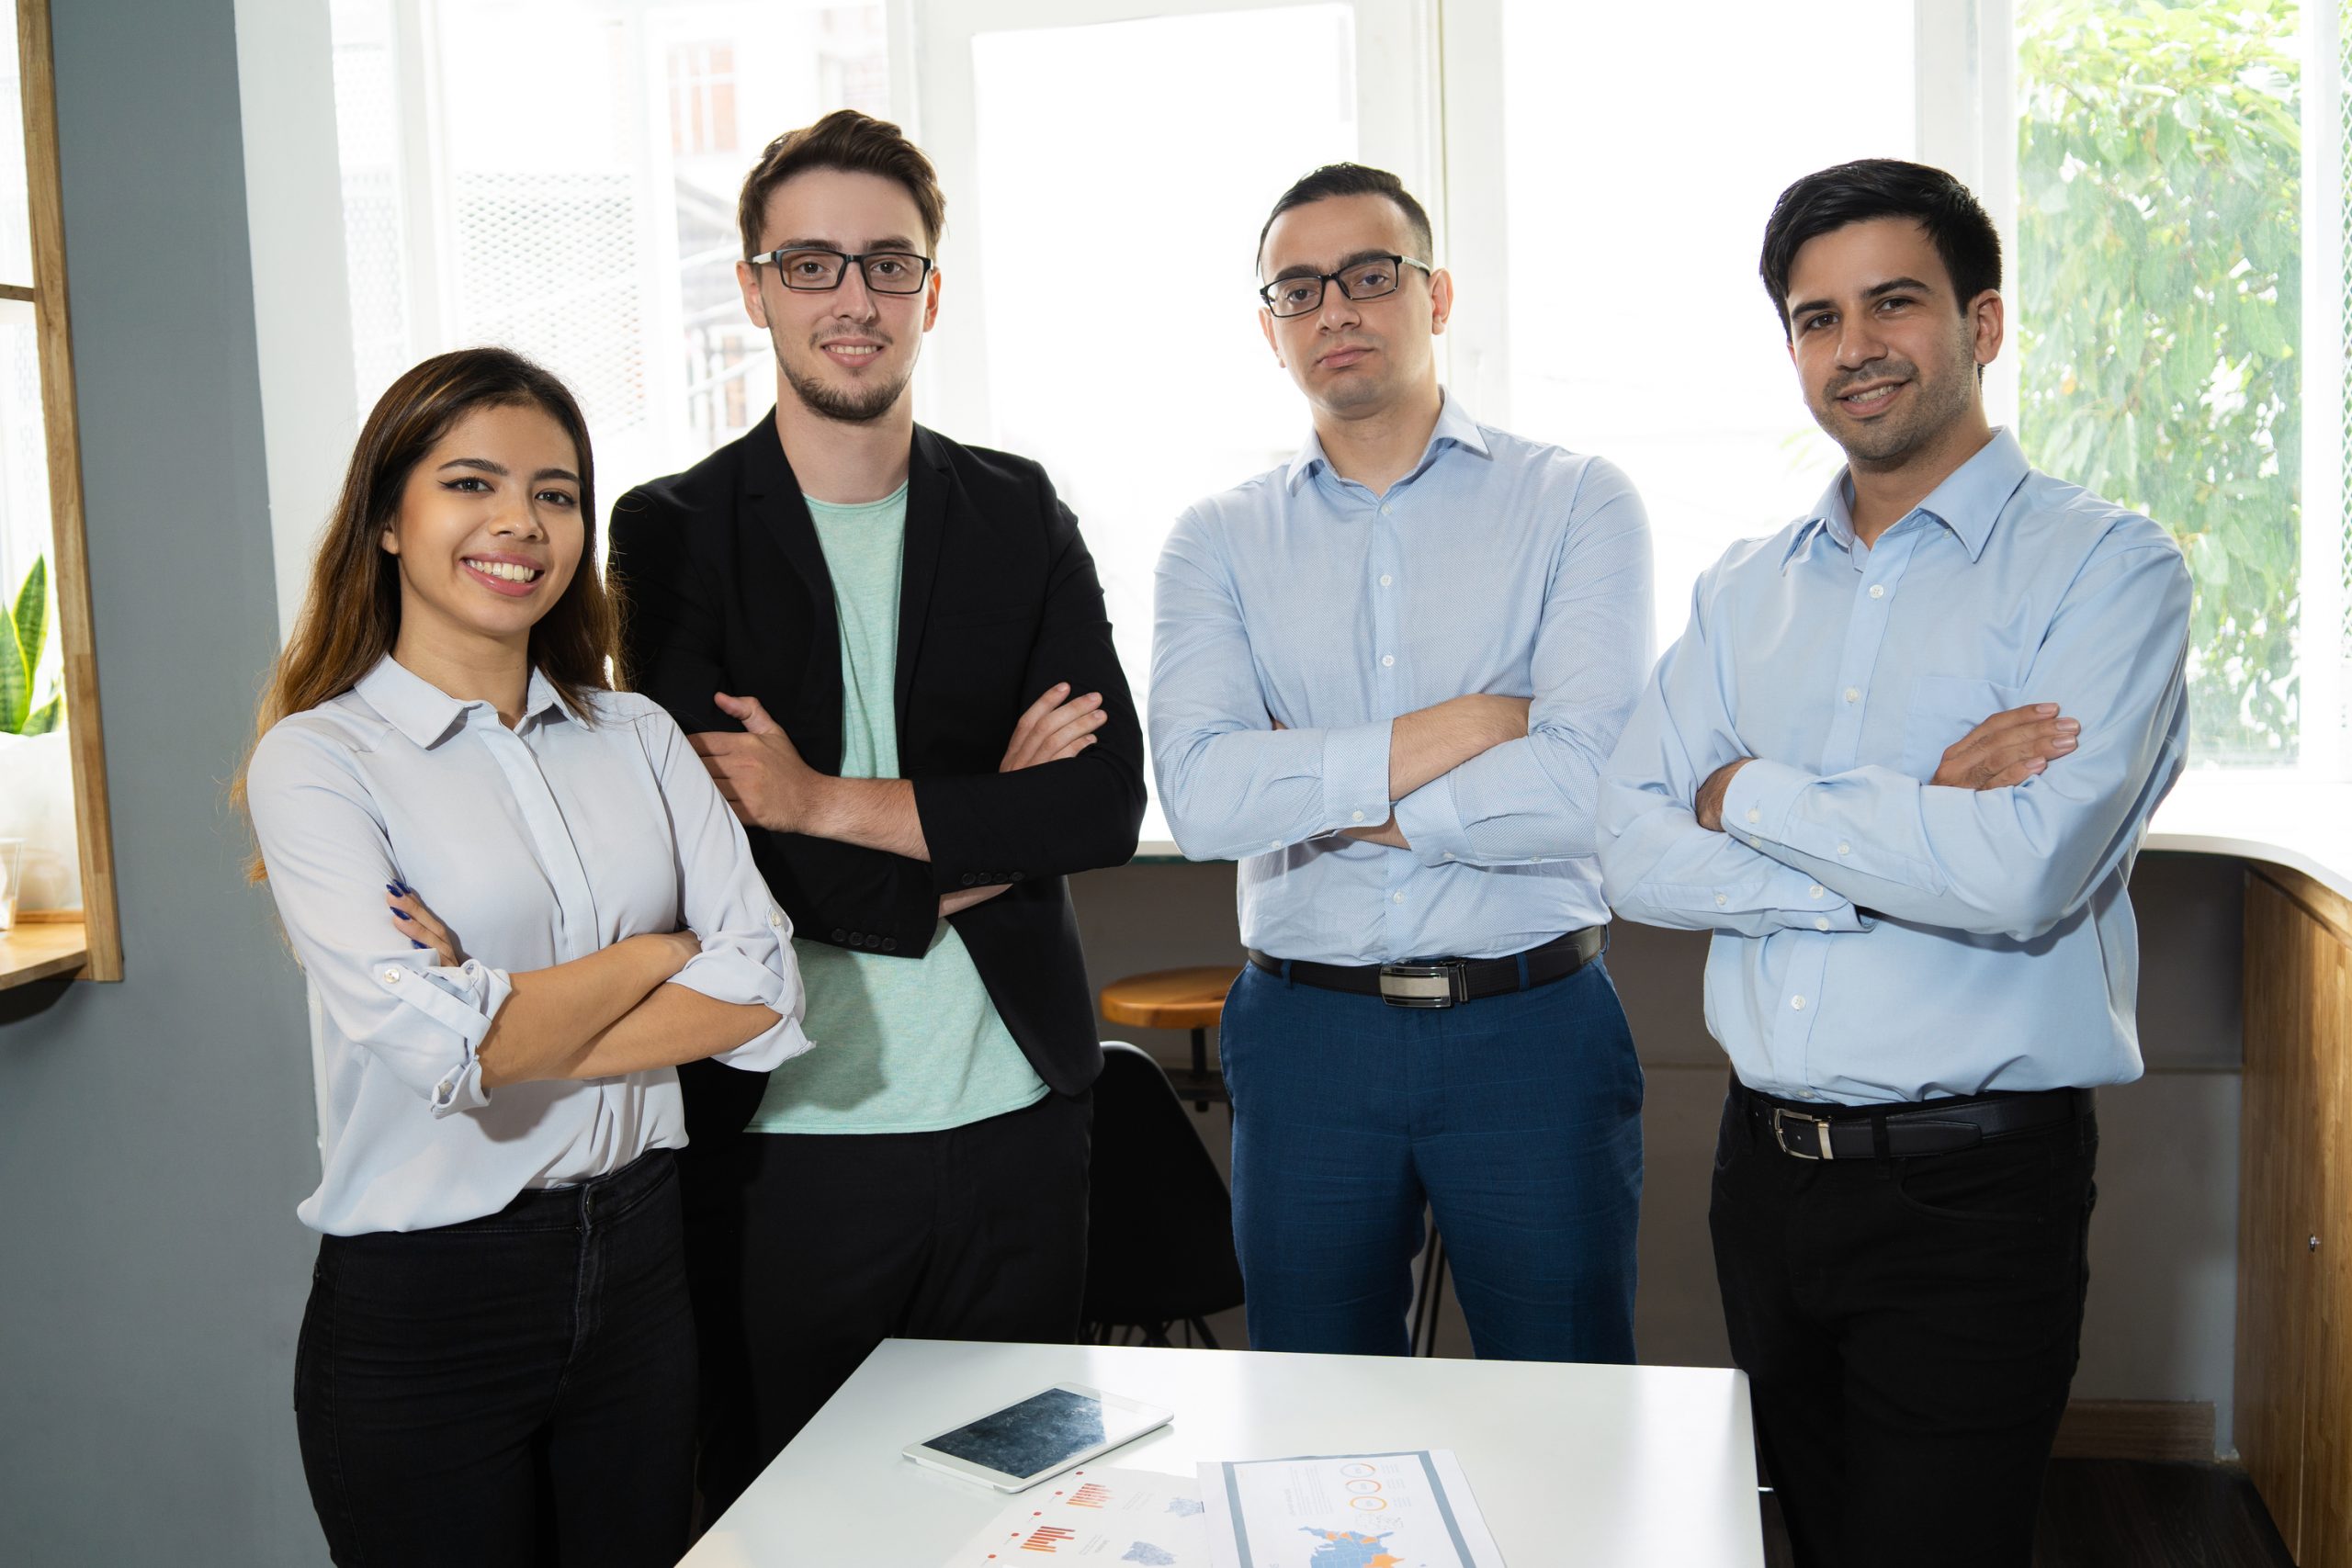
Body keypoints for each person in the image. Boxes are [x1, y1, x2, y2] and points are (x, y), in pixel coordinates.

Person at [1596, 159, 2192, 1568]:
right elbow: (1627, 847)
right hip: (1766, 1176)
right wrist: (1911, 814)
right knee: (1810, 1540)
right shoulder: (1745, 589)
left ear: (1984, 322)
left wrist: (1746, 792)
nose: (1853, 346)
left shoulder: (2109, 571)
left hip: (1972, 1194)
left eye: (1894, 303)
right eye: (1816, 317)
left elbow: (2022, 875)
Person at [606, 109, 1144, 1512]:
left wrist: (820, 799)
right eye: (813, 263)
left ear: (931, 290)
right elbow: (707, 852)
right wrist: (972, 841)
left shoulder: (1019, 509)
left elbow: (1093, 805)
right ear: (754, 286)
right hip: (789, 1136)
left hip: (1019, 1115)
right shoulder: (672, 530)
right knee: (801, 1521)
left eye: (888, 264)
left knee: (1020, 1516)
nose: (854, 298)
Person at [242, 346, 808, 1567]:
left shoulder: (638, 735)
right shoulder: (320, 761)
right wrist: (662, 951)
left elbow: (765, 989)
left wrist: (504, 1013)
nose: (520, 522)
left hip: (645, 1272)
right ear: (388, 520)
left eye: (555, 493)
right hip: (429, 1307)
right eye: (471, 484)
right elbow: (457, 1052)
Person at [1150, 164, 1655, 1360]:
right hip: (1307, 1033)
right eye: (1299, 288)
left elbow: (1589, 784)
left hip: (1530, 1027)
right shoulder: (1216, 539)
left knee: (1567, 1411)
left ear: (1436, 296)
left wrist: (1317, 791)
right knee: (1314, 1430)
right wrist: (1475, 724)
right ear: (1270, 330)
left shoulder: (1578, 501)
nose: (1337, 309)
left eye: (1370, 276)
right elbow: (1207, 798)